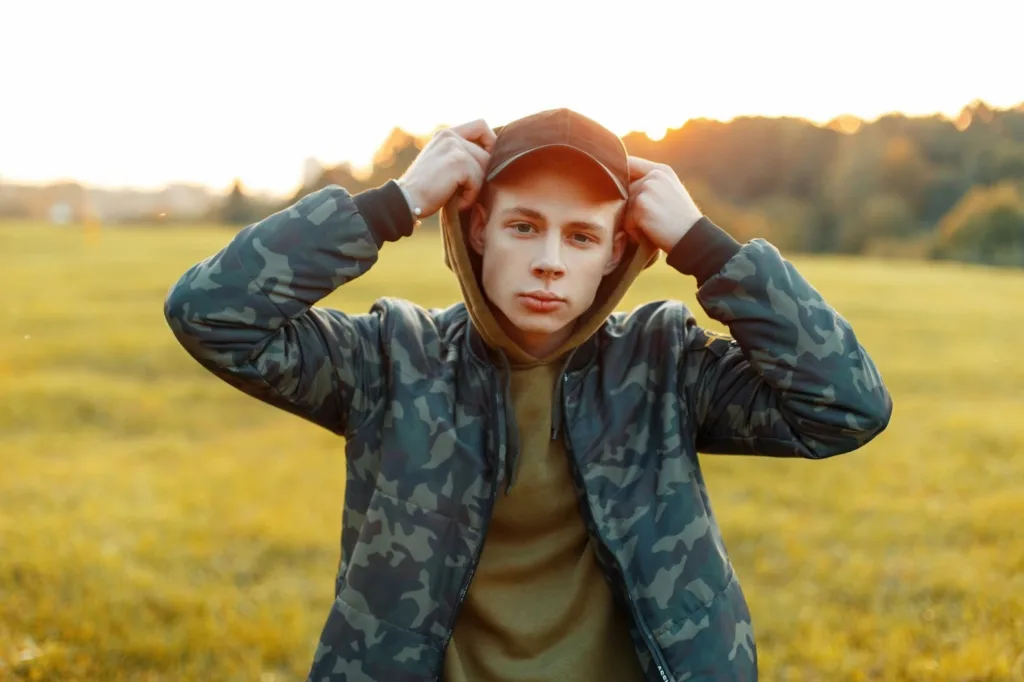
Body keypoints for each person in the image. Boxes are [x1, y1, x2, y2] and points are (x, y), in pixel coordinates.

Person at [164, 109, 892, 682]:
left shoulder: (665, 363)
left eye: (580, 237)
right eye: (523, 226)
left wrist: (706, 246)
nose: (548, 263)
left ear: (615, 251)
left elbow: (846, 406)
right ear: (478, 228)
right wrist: (397, 202)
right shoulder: (391, 358)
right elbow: (210, 313)